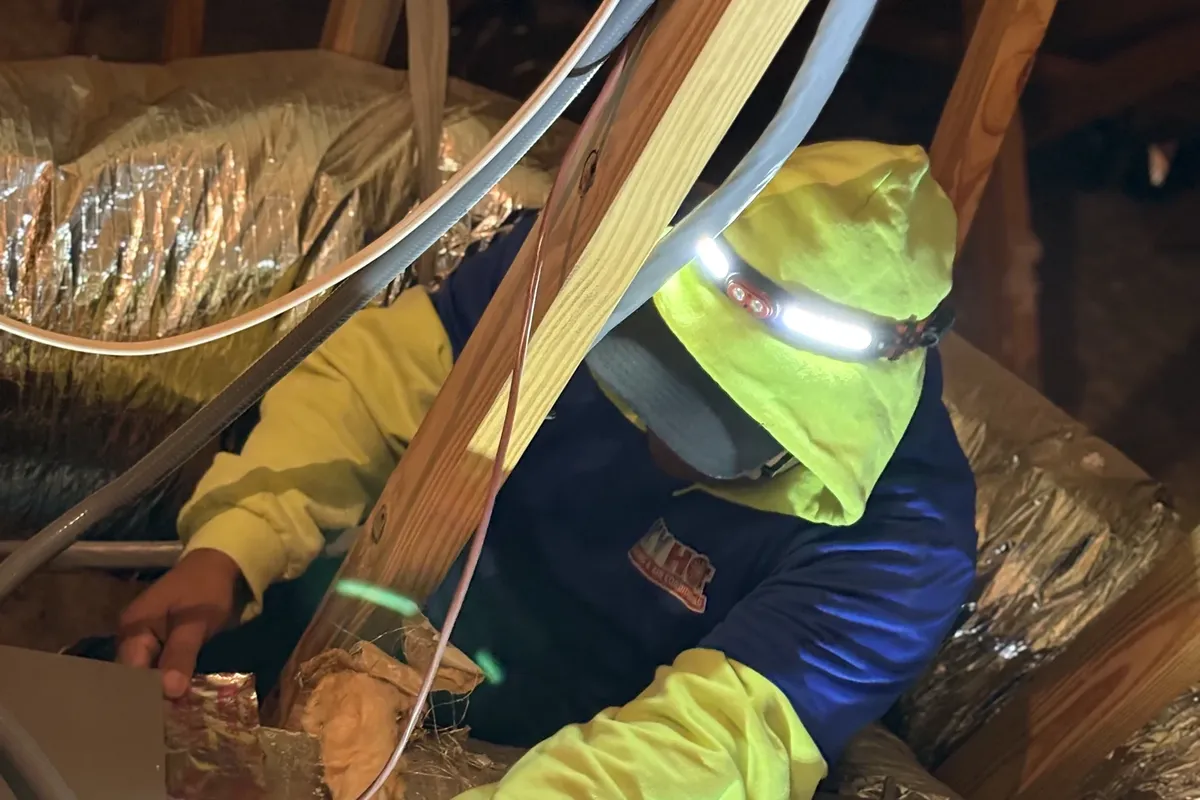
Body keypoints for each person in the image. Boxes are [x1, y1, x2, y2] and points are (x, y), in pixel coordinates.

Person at [112, 140, 977, 798]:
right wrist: (235, 543)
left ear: (815, 432)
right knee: (105, 730)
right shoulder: (586, 265)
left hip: (565, 743)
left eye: (707, 422)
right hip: (391, 610)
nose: (650, 428)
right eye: (651, 368)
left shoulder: (898, 555)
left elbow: (700, 750)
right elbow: (381, 383)